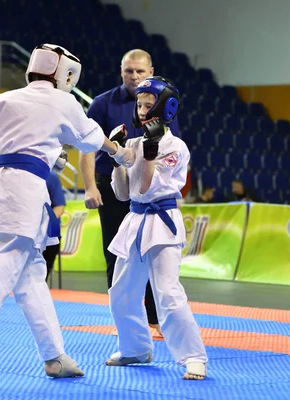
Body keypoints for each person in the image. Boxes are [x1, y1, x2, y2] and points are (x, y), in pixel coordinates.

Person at [0, 43, 135, 389]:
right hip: (23, 188)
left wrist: (45, 158)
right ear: (67, 75)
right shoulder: (62, 100)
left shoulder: (4, 100)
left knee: (31, 274)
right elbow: (89, 138)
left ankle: (54, 356)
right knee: (4, 268)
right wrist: (117, 151)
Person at [105, 76, 207, 380]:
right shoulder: (135, 143)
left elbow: (149, 188)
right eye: (139, 104)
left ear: (166, 109)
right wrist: (116, 155)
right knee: (121, 292)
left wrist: (148, 154)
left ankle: (193, 357)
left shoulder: (176, 147)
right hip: (135, 221)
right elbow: (124, 194)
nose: (142, 110)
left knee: (167, 292)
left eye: (149, 105)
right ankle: (135, 348)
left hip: (162, 223)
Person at [79, 49, 180, 336]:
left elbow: (172, 148)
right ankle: (124, 321)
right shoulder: (102, 103)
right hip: (111, 183)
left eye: (139, 71)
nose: (134, 76)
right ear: (121, 71)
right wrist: (89, 187)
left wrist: (170, 192)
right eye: (128, 71)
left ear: (150, 71)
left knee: (151, 253)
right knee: (116, 253)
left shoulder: (164, 102)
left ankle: (154, 320)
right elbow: (88, 146)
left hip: (151, 189)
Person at [43, 170, 66, 282]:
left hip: (44, 232)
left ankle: (42, 279)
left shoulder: (50, 176)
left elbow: (59, 206)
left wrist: (43, 224)